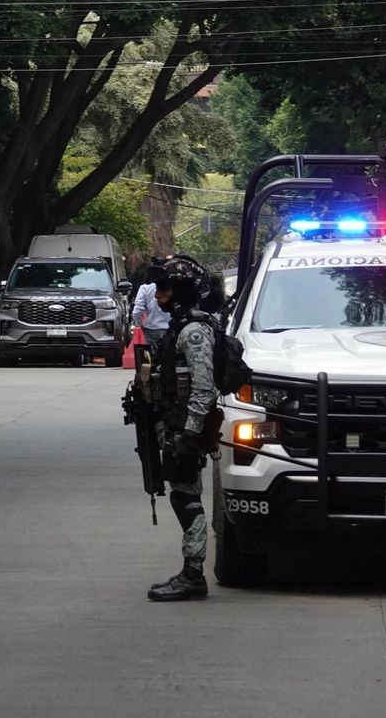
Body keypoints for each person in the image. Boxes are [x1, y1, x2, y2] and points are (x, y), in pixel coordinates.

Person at [145, 255, 220, 601]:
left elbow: (204, 388)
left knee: (187, 497)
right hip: (175, 425)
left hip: (185, 428)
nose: (158, 295)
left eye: (165, 287)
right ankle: (191, 572)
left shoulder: (192, 332)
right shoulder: (181, 325)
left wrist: (189, 435)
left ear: (181, 291)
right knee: (181, 493)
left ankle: (193, 575)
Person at [131, 256, 172, 348]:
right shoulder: (174, 288)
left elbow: (137, 311)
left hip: (152, 330)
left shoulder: (145, 288)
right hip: (172, 330)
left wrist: (140, 324)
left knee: (154, 358)